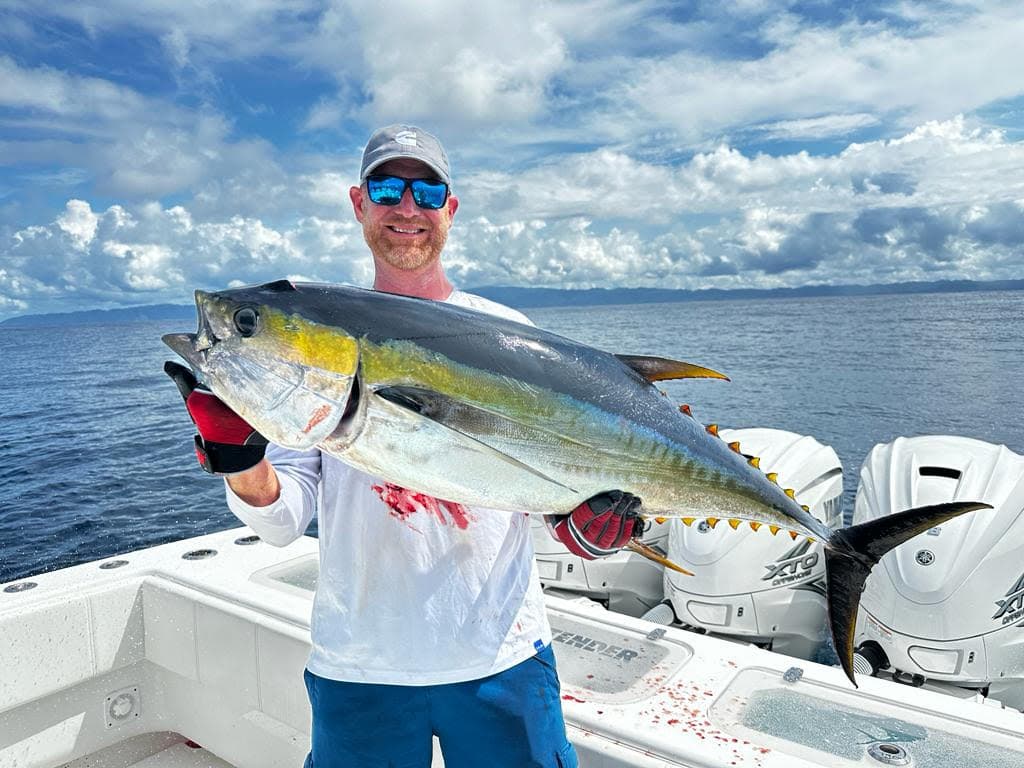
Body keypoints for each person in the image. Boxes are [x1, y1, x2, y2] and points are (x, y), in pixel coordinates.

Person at [166, 124, 642, 768]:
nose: (407, 208)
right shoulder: (322, 348)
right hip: (362, 665)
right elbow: (280, 522)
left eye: (426, 190)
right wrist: (239, 456)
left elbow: (555, 497)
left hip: (503, 656)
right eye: (388, 189)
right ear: (359, 203)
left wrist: (592, 531)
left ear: (451, 207)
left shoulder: (511, 333)